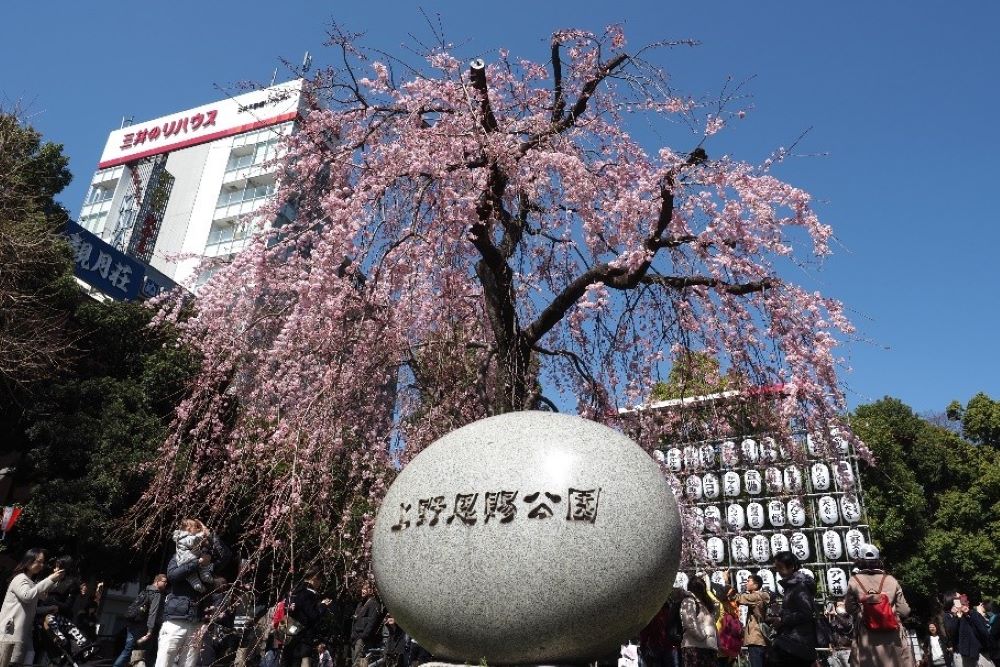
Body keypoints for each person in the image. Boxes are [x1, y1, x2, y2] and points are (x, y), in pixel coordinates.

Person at [844, 544, 914, 667]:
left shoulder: (854, 581)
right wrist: (890, 614)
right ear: (878, 561)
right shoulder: (891, 580)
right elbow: (904, 610)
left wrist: (862, 613)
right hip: (893, 635)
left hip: (866, 636)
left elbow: (849, 608)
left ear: (860, 561)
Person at [156, 532, 216, 667]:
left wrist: (212, 536)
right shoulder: (177, 557)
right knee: (165, 660)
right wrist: (197, 563)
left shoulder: (208, 561)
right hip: (176, 620)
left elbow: (226, 556)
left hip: (197, 620)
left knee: (188, 663)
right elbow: (172, 576)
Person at [0, 548, 65, 666]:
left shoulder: (30, 582)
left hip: (20, 635)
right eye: (39, 561)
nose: (41, 565)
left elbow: (34, 605)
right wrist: (50, 578)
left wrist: (48, 608)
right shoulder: (20, 578)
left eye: (42, 562)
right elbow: (27, 596)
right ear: (29, 561)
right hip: (9, 634)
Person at [767, 551, 816, 667]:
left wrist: (782, 620)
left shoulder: (800, 586)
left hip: (797, 642)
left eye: (780, 567)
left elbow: (806, 613)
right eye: (776, 568)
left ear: (792, 567)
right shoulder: (792, 586)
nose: (778, 571)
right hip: (792, 640)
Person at [114, 573, 167, 667]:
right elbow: (152, 613)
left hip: (132, 624)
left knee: (128, 650)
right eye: (164, 581)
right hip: (142, 628)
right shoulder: (156, 594)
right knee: (142, 654)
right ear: (157, 581)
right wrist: (150, 630)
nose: (166, 584)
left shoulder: (145, 589)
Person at [282, 571, 333, 667]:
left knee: (285, 660)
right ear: (314, 578)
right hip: (302, 636)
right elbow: (313, 615)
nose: (320, 584)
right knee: (298, 661)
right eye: (320, 580)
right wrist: (323, 606)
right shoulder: (309, 594)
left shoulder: (294, 590)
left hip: (287, 630)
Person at [725, 572, 769, 667]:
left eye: (748, 581)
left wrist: (726, 581)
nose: (746, 583)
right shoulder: (759, 596)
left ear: (756, 585)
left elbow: (736, 597)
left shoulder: (756, 597)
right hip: (760, 639)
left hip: (756, 639)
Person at [943, 593, 993, 667]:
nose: (967, 601)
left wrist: (970, 614)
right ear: (953, 603)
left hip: (981, 653)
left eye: (965, 599)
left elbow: (984, 632)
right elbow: (951, 632)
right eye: (960, 598)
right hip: (962, 656)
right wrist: (957, 617)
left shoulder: (973, 614)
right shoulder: (949, 617)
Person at [680, 575, 718, 667]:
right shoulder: (688, 601)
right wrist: (702, 636)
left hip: (708, 647)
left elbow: (714, 619)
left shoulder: (705, 604)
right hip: (694, 646)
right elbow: (689, 622)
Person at [174, 518, 215, 593]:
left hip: (184, 564)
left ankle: (201, 588)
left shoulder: (180, 538)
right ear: (188, 528)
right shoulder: (184, 537)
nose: (197, 529)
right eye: (195, 527)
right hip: (191, 559)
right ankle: (209, 579)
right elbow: (193, 541)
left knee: (195, 582)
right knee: (204, 568)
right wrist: (203, 532)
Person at [350, 583, 383, 667]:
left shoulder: (374, 604)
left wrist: (363, 636)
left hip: (363, 638)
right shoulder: (360, 604)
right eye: (362, 588)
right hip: (355, 637)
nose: (363, 590)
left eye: (365, 589)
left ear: (371, 591)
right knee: (355, 661)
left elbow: (372, 622)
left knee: (359, 662)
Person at [825, 599, 854, 667]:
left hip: (846, 651)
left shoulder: (850, 617)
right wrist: (826, 618)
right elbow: (829, 633)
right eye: (837, 605)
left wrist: (836, 614)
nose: (838, 607)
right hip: (835, 651)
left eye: (840, 605)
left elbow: (847, 626)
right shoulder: (834, 620)